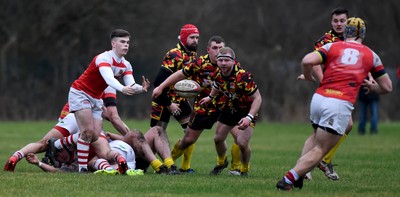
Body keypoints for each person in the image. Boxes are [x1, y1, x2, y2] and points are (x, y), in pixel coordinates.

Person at [276, 17, 392, 191]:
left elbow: (307, 61)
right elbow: (387, 87)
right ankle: (288, 179)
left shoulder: (332, 46)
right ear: (364, 34)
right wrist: (373, 87)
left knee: (316, 139)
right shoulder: (371, 55)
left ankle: (299, 174)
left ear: (346, 31)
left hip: (319, 98)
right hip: (339, 102)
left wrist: (308, 76)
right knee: (322, 148)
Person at [152, 36, 242, 175]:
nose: (218, 51)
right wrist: (161, 86)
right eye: (215, 48)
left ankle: (234, 168)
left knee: (238, 136)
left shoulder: (232, 65)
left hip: (227, 105)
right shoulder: (200, 63)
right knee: (187, 140)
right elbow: (179, 74)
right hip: (204, 105)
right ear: (208, 49)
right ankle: (168, 164)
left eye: (221, 48)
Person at [68, 29, 148, 172]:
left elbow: (130, 84)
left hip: (96, 98)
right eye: (122, 42)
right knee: (87, 132)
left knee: (94, 135)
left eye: (128, 42)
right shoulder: (103, 58)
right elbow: (109, 79)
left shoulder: (126, 65)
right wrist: (122, 89)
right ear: (113, 43)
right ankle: (82, 169)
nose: (126, 45)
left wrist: (141, 88)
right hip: (80, 93)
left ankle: (59, 143)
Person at [298, 7, 350, 180]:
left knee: (345, 126)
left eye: (342, 21)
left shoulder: (352, 39)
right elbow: (314, 63)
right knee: (324, 131)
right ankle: (307, 167)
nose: (339, 24)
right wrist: (323, 81)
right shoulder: (326, 40)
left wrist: (370, 78)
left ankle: (315, 164)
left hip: (344, 89)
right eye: (336, 21)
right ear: (331, 22)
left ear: (347, 21)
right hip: (329, 89)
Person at [199, 47, 262, 176]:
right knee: (218, 139)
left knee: (242, 143)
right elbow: (217, 85)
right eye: (220, 60)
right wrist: (210, 97)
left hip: (246, 110)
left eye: (226, 60)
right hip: (230, 107)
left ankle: (244, 169)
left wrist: (249, 117)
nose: (223, 63)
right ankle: (222, 162)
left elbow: (258, 98)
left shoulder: (243, 77)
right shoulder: (218, 72)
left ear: (233, 61)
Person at [150, 24, 199, 172]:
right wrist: (169, 103)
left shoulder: (192, 55)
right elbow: (158, 83)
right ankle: (149, 164)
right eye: (192, 37)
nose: (195, 41)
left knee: (191, 132)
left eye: (197, 38)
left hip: (181, 101)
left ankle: (185, 167)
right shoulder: (174, 55)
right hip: (163, 100)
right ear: (184, 38)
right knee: (157, 134)